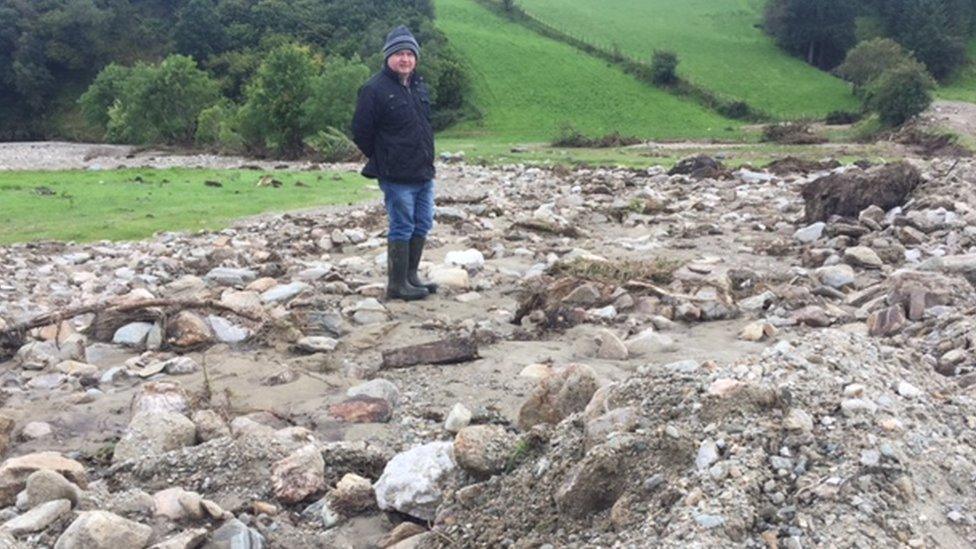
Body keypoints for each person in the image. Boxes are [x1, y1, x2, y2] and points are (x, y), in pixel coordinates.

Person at [352, 25, 437, 301]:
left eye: (410, 54)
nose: (405, 59)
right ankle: (397, 285)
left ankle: (411, 277)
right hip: (396, 174)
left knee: (422, 223)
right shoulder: (373, 89)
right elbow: (361, 132)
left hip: (424, 171)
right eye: (399, 53)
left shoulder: (419, 86)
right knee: (401, 224)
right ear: (388, 57)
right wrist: (384, 157)